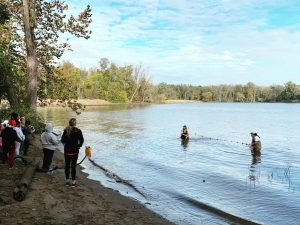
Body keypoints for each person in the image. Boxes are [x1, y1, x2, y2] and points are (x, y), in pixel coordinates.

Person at [61, 118, 84, 187]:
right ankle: (73, 182)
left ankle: (67, 181)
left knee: (67, 166)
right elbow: (82, 140)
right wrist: (79, 146)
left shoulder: (66, 130)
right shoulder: (78, 131)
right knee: (73, 166)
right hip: (75, 151)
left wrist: (66, 144)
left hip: (67, 150)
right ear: (75, 123)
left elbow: (63, 140)